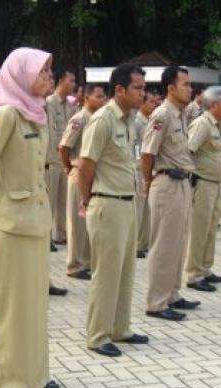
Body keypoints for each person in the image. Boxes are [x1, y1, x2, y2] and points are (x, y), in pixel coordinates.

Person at [0, 47, 59, 388]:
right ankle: (11, 383)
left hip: (36, 220)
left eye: (50, 72)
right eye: (43, 72)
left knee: (34, 301)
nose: (49, 78)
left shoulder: (37, 112)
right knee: (12, 305)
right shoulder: (7, 114)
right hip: (10, 222)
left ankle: (36, 374)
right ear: (22, 75)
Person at [78, 64, 149, 357]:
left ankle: (120, 328)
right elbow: (85, 166)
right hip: (107, 202)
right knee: (106, 272)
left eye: (144, 88)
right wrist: (89, 200)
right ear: (119, 90)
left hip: (127, 202)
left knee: (125, 270)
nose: (143, 93)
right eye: (138, 88)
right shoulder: (103, 120)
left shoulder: (129, 120)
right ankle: (98, 334)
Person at [141, 65, 201, 322]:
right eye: (185, 84)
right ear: (170, 88)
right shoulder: (162, 115)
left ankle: (172, 294)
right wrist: (148, 182)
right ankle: (156, 302)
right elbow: (147, 153)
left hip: (183, 182)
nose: (190, 89)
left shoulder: (181, 115)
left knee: (178, 242)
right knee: (164, 245)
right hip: (166, 183)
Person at [59, 84, 106, 280]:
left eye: (104, 97)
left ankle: (86, 262)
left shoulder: (98, 119)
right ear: (87, 98)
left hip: (93, 175)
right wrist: (69, 167)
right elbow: (64, 147)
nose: (103, 100)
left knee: (88, 222)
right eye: (98, 96)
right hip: (79, 172)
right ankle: (74, 264)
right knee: (77, 223)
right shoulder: (79, 119)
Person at [185, 86, 221, 292]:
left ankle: (205, 268)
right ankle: (193, 274)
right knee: (199, 230)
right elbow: (188, 151)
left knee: (211, 228)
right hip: (202, 183)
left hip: (215, 184)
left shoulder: (217, 125)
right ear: (213, 105)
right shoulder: (202, 124)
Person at [46, 68, 76, 246]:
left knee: (63, 200)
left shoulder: (70, 107)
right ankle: (47, 236)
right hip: (51, 159)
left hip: (65, 159)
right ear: (61, 81)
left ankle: (61, 234)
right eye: (71, 80)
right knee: (49, 200)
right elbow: (49, 133)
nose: (73, 84)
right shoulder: (49, 103)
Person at [133, 91, 158, 259]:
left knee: (147, 209)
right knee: (139, 209)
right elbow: (136, 146)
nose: (154, 105)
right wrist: (139, 165)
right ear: (142, 103)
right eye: (151, 102)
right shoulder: (137, 121)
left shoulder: (150, 120)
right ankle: (136, 244)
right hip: (139, 168)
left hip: (150, 168)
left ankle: (143, 243)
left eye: (155, 102)